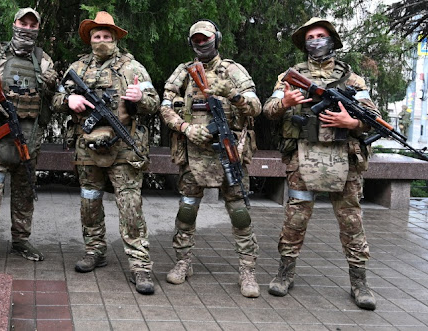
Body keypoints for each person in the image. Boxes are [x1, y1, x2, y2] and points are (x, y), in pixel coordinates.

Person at [263, 17, 378, 310]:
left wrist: (350, 121)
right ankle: (284, 273)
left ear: (332, 40)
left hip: (344, 159)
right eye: (310, 36)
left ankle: (359, 282)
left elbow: (373, 120)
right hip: (304, 158)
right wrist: (286, 103)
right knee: (296, 218)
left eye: (320, 35)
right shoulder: (290, 77)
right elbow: (269, 110)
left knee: (351, 221)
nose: (315, 40)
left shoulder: (353, 80)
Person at [52, 11, 158, 295]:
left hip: (124, 147)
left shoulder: (133, 68)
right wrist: (70, 98)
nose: (101, 40)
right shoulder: (77, 67)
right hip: (87, 147)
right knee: (89, 201)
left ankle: (140, 265)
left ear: (115, 39)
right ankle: (94, 250)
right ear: (90, 39)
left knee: (130, 205)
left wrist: (140, 99)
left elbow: (154, 102)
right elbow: (56, 98)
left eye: (106, 36)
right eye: (96, 36)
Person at [160, 20, 262, 297]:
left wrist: (231, 93)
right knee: (187, 210)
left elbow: (256, 107)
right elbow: (166, 105)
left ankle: (248, 270)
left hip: (229, 151)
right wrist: (185, 127)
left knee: (240, 213)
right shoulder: (183, 72)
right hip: (193, 153)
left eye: (206, 38)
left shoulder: (233, 70)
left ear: (216, 38)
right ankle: (183, 262)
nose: (201, 43)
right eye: (196, 39)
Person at [0, 8, 58, 272]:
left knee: (25, 194)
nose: (26, 28)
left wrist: (52, 85)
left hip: (29, 139)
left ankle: (21, 241)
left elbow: (58, 97)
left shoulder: (43, 60)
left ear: (37, 29)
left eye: (32, 25)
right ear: (14, 24)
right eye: (22, 23)